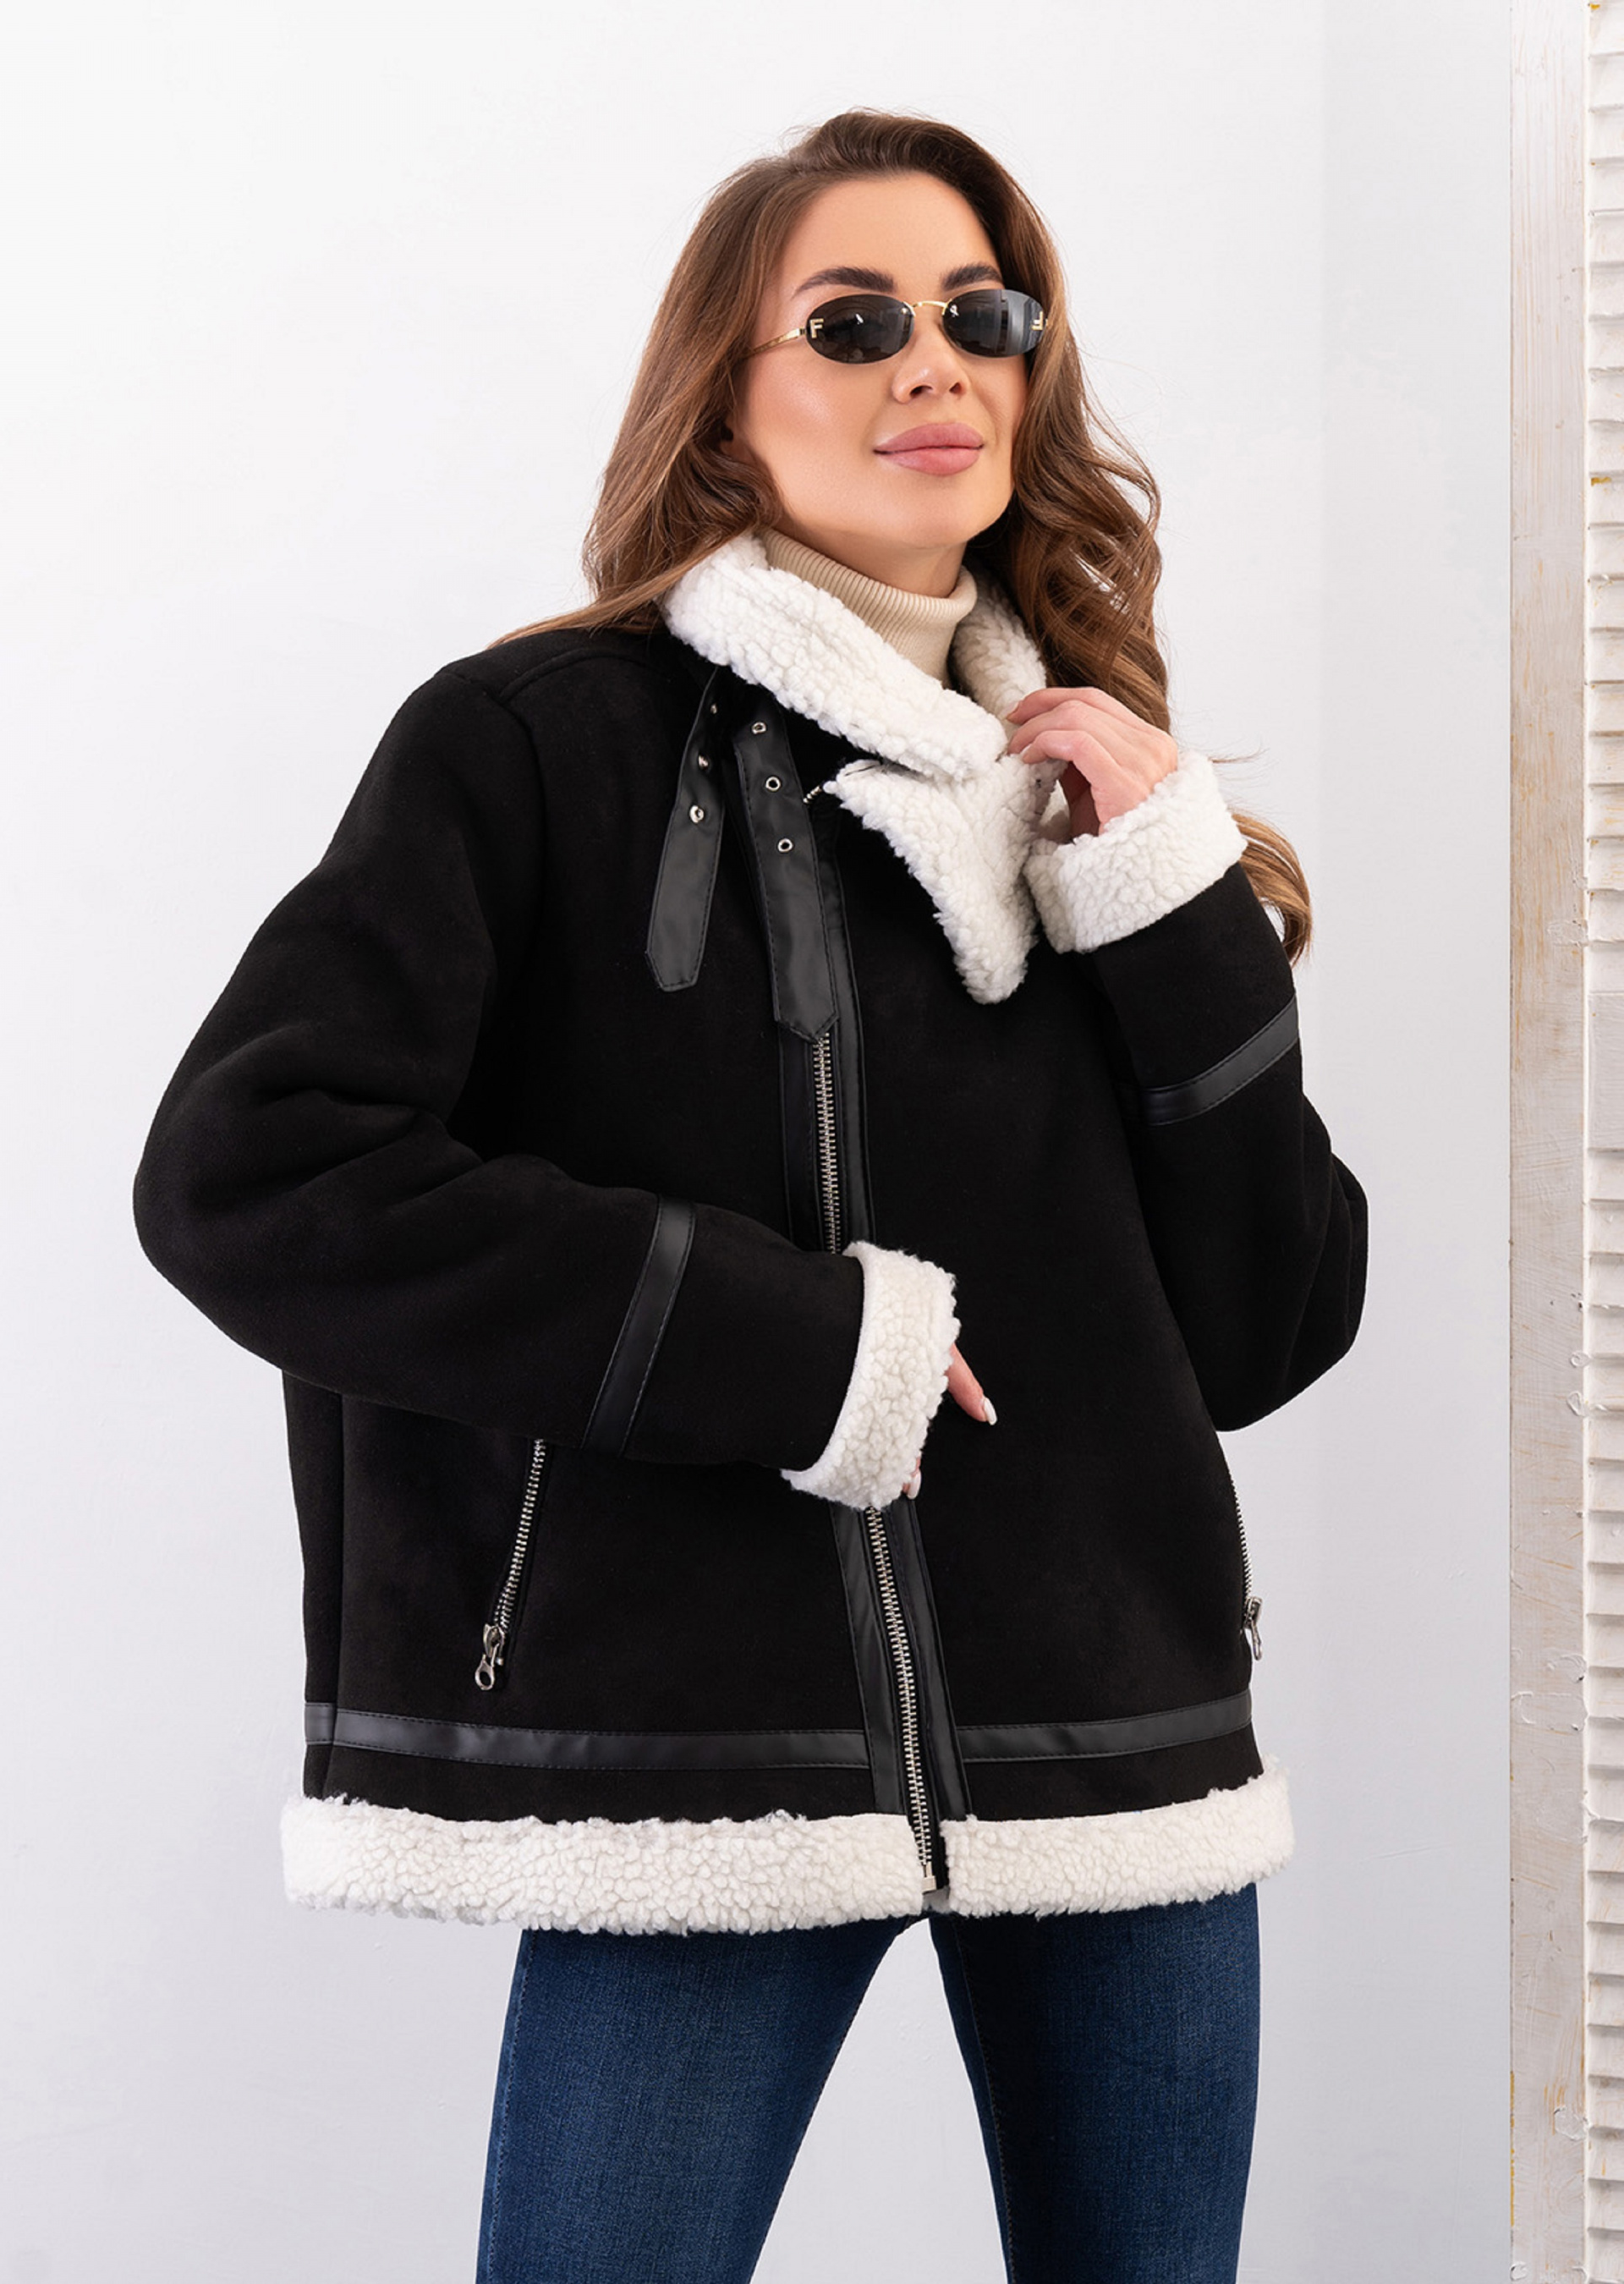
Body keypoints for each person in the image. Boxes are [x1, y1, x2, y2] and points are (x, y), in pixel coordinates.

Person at [133, 107, 1366, 2284]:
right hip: (700, 1751)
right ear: (723, 395)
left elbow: (1260, 1334)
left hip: (1121, 1734)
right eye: (855, 321)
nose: (936, 361)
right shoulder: (535, 743)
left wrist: (1171, 902)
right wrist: (799, 1349)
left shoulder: (1092, 789)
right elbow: (253, 1173)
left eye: (982, 313)